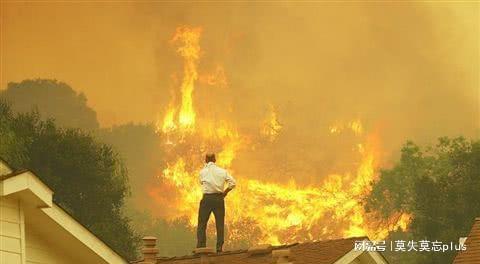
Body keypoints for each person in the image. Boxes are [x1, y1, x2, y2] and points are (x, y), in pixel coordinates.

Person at [196, 153, 236, 253]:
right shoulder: (222, 171)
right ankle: (219, 247)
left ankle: (201, 247)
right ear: (215, 160)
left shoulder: (202, 172)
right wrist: (225, 192)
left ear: (206, 160)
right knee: (220, 224)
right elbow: (233, 183)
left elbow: (201, 182)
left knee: (202, 223)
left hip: (207, 199)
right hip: (218, 199)